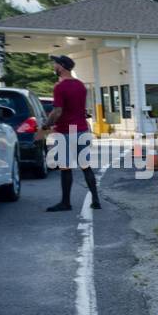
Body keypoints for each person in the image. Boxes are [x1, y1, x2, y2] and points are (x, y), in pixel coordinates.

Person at [42, 55, 100, 211]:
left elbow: (58, 111)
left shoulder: (59, 87)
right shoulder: (81, 86)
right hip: (81, 129)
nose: (53, 66)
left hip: (66, 131)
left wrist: (47, 124)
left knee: (65, 168)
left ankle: (65, 203)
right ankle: (96, 200)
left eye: (55, 64)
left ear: (61, 66)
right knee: (86, 166)